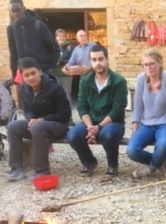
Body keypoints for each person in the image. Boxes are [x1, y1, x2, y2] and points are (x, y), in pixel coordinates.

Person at [66, 44, 127, 176]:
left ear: (107, 59)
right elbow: (82, 106)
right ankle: (89, 162)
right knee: (73, 135)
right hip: (91, 122)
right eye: (94, 60)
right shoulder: (85, 81)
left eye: (100, 59)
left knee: (107, 135)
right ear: (91, 62)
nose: (97, 63)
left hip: (113, 122)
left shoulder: (118, 81)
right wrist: (90, 127)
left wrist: (98, 127)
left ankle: (112, 166)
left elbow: (118, 109)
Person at [7, 57, 71, 182]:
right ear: (23, 77)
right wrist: (31, 118)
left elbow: (66, 114)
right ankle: (16, 168)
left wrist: (43, 119)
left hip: (58, 126)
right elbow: (26, 109)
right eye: (27, 75)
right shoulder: (24, 89)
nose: (31, 77)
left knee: (37, 127)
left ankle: (42, 171)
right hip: (37, 125)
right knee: (13, 126)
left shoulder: (54, 88)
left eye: (33, 73)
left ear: (40, 72)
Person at [126, 48, 166, 179]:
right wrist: (134, 130)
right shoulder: (141, 79)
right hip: (147, 124)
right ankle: (160, 163)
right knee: (131, 150)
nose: (149, 67)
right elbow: (138, 108)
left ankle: (151, 168)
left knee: (162, 146)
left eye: (152, 63)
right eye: (146, 64)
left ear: (160, 63)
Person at [7, 0, 59, 79]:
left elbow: (54, 47)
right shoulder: (11, 28)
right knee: (25, 91)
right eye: (12, 11)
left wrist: (50, 68)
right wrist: (14, 74)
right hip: (24, 73)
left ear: (24, 8)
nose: (15, 13)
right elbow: (13, 53)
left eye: (18, 10)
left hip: (42, 72)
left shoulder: (38, 25)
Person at [62, 30, 96, 101]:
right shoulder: (76, 50)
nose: (83, 37)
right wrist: (65, 68)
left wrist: (89, 67)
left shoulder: (93, 46)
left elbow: (99, 59)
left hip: (95, 76)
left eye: (85, 35)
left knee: (95, 97)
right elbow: (71, 62)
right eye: (81, 36)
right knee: (84, 97)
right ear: (77, 39)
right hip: (83, 78)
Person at [53, 28, 74, 106]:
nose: (61, 37)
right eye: (59, 36)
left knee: (66, 95)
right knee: (56, 95)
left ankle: (69, 116)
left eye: (63, 36)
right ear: (56, 37)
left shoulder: (69, 47)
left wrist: (62, 62)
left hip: (66, 74)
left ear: (65, 37)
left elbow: (73, 60)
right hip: (55, 74)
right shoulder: (53, 47)